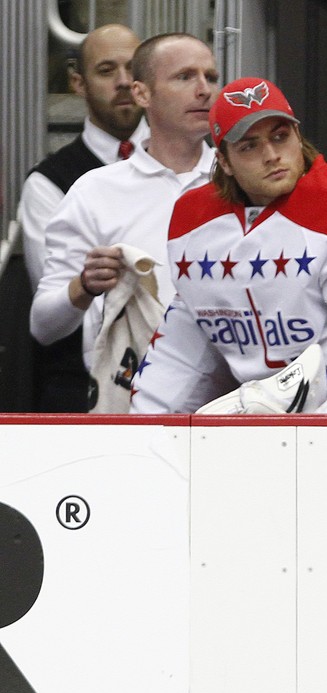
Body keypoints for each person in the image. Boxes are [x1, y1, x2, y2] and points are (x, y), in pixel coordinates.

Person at [128, 77, 327, 414]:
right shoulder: (194, 221)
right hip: (258, 421)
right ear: (225, 161)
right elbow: (186, 344)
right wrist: (149, 427)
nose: (272, 155)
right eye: (249, 146)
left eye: (280, 137)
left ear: (297, 136)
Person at [30, 33, 219, 413]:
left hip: (230, 406)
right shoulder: (94, 190)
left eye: (211, 77)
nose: (203, 90)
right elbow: (43, 325)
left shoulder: (240, 183)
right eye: (184, 77)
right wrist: (84, 286)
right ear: (142, 93)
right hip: (126, 408)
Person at [18, 24, 147, 411]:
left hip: (178, 375)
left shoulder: (189, 165)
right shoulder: (49, 182)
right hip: (80, 383)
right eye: (106, 71)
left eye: (133, 69)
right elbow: (58, 304)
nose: (124, 82)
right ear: (78, 82)